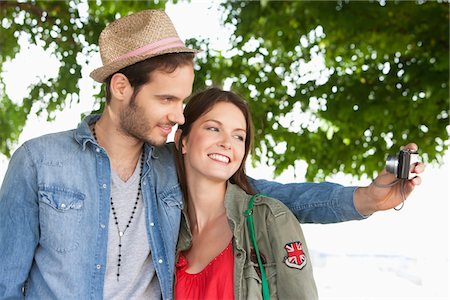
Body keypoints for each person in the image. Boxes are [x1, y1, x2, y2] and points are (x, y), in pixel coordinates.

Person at [0, 9, 424, 300]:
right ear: (121, 88)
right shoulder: (39, 162)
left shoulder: (171, 166)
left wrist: (366, 199)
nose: (178, 115)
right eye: (167, 99)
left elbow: (263, 197)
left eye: (183, 101)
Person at [173, 87, 318, 299]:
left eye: (239, 137)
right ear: (182, 141)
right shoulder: (167, 229)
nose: (227, 143)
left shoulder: (269, 219)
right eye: (213, 129)